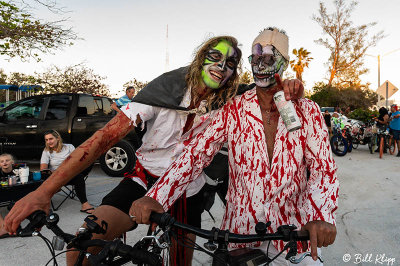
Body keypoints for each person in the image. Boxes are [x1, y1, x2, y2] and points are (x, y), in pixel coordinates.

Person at [4, 35, 304, 266]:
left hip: (187, 189)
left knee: (180, 259)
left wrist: (287, 84)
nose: (221, 66)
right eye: (215, 56)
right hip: (143, 178)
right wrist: (44, 192)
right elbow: (101, 140)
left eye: (230, 63)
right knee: (85, 241)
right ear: (200, 59)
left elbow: (267, 96)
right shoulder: (164, 89)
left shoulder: (230, 100)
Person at [131, 27, 339, 265]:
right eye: (256, 58)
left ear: (284, 63)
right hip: (239, 235)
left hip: (294, 236)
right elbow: (196, 154)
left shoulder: (308, 110)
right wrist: (158, 195)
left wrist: (321, 216)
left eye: (269, 58)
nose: (260, 65)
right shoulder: (233, 109)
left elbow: (323, 168)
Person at [40, 130, 94, 214]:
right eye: (46, 140)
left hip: (71, 173)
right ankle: (85, 205)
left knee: (90, 160)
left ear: (57, 138)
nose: (48, 142)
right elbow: (43, 169)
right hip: (57, 177)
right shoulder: (46, 151)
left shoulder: (69, 147)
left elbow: (76, 161)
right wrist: (52, 171)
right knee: (78, 178)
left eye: (51, 139)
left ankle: (84, 205)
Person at [0, 153, 16, 238]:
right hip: (3, 194)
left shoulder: (18, 170)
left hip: (17, 193)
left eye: (7, 160)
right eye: (2, 161)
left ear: (12, 162)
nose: (4, 163)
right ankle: (3, 226)